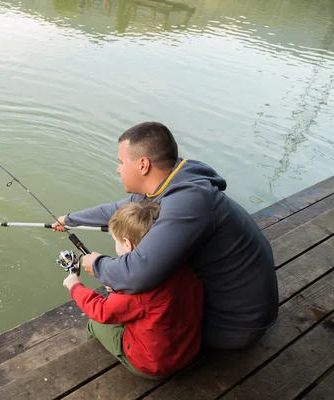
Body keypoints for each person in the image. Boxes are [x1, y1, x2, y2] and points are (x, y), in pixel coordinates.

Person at [53, 121, 278, 350]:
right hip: (238, 311)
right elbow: (116, 210)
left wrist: (97, 264)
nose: (118, 169)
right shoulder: (174, 183)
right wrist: (69, 219)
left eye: (121, 163)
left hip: (234, 326)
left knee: (123, 321)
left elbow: (137, 273)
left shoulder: (188, 204)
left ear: (143, 165)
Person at [63, 201, 203, 378]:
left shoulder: (138, 286)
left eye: (116, 241)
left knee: (94, 324)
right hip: (188, 348)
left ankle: (93, 362)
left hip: (154, 364)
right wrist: (115, 286)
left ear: (127, 244)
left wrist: (74, 285)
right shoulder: (182, 265)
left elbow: (102, 311)